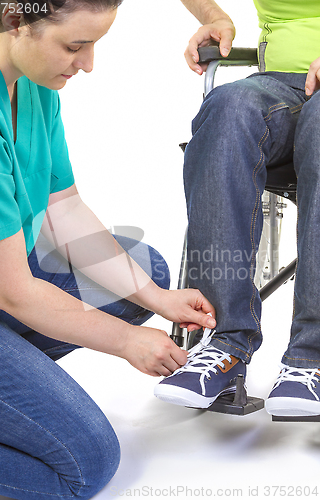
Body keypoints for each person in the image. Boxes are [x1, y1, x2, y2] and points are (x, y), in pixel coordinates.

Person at [0, 1, 219, 497]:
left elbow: (61, 210)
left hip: (1, 280)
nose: (88, 64)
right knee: (82, 466)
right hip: (4, 287)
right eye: (75, 46)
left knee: (145, 272)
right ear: (14, 20)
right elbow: (13, 293)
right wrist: (125, 342)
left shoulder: (30, 81)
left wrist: (157, 299)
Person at [154, 0, 320, 418]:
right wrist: (214, 17)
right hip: (279, 84)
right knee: (228, 108)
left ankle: (310, 357)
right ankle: (226, 342)